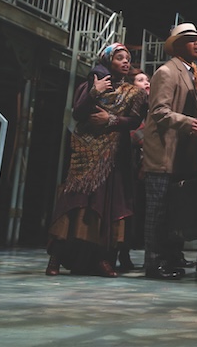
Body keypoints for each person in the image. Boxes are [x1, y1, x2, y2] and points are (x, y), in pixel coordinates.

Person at [46, 43, 147, 278]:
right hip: (86, 154)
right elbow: (78, 113)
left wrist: (111, 120)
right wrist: (95, 90)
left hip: (113, 157)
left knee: (107, 205)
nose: (125, 61)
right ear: (107, 61)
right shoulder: (90, 83)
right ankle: (56, 257)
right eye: (119, 57)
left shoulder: (133, 92)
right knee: (76, 202)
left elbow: (134, 121)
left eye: (128, 58)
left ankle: (103, 259)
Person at [142, 22, 197, 280]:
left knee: (175, 211)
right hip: (164, 153)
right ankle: (154, 263)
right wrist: (188, 123)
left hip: (182, 155)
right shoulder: (167, 72)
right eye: (191, 40)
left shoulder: (192, 72)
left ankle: (170, 258)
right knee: (157, 212)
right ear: (179, 44)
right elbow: (158, 111)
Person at [117, 67, 152, 271]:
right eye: (140, 80)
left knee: (140, 210)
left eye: (147, 80)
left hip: (145, 162)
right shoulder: (130, 103)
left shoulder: (149, 105)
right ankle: (123, 251)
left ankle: (130, 250)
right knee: (127, 208)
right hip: (128, 162)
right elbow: (131, 131)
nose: (146, 83)